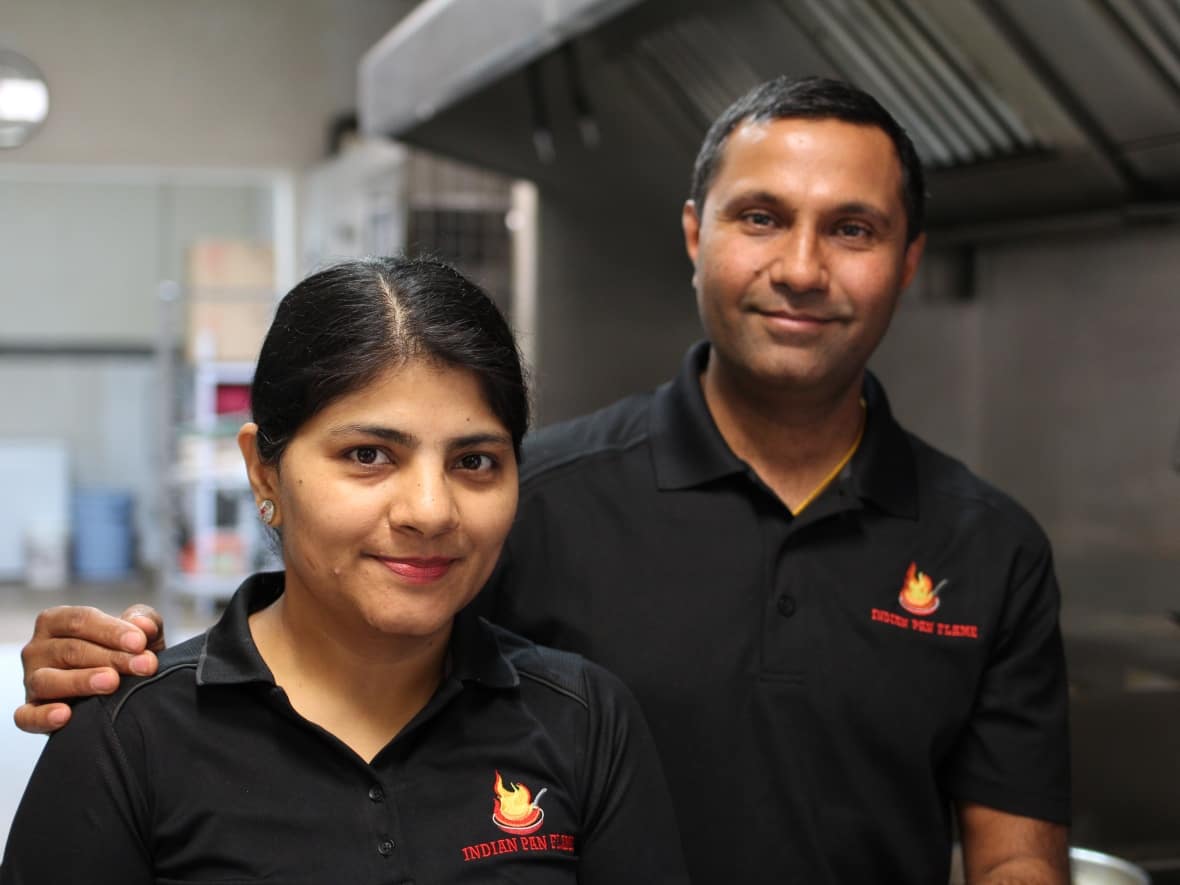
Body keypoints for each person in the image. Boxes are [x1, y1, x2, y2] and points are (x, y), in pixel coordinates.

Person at [14, 77, 1071, 883]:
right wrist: (134, 680)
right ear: (695, 234)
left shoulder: (987, 546)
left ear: (909, 257)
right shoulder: (548, 498)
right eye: (759, 216)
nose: (801, 266)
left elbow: (1015, 855)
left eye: (852, 228)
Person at [2, 257, 689, 885]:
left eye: (474, 460)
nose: (430, 510)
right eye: (368, 455)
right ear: (263, 468)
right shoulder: (131, 737)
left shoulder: (582, 721)